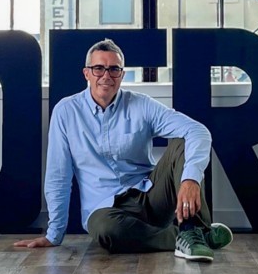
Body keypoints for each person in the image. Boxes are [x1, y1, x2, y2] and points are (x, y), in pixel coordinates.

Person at [13, 39, 232, 262]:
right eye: (98, 68)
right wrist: (54, 235)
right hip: (105, 210)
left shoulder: (141, 104)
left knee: (183, 142)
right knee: (108, 231)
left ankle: (191, 228)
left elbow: (198, 131)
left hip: (150, 196)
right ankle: (193, 236)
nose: (106, 75)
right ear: (86, 73)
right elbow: (58, 176)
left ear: (122, 75)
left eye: (114, 69)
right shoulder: (66, 112)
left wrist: (191, 179)